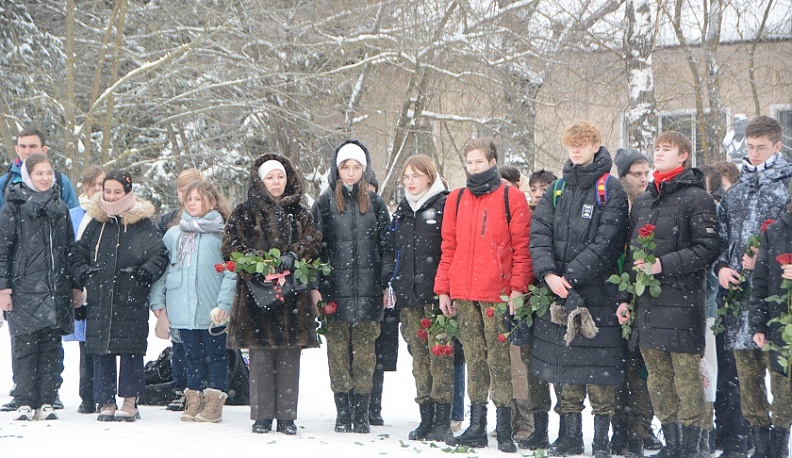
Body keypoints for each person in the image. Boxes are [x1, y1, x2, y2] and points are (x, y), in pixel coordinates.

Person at [617, 131, 721, 458]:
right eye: (657, 148)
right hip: (647, 306)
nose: (659, 153)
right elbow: (633, 253)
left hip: (682, 303)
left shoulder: (697, 197)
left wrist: (663, 264)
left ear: (684, 156)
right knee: (658, 381)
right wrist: (625, 298)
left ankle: (690, 448)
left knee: (687, 382)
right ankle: (672, 444)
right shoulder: (646, 199)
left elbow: (707, 248)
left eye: (667, 149)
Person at [530, 121, 629, 458]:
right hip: (559, 293)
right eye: (571, 144)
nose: (576, 150)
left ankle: (601, 439)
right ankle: (569, 435)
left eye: (582, 144)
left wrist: (569, 276)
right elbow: (539, 233)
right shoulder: (558, 188)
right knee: (565, 369)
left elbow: (609, 242)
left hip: (599, 294)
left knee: (601, 373)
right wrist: (548, 274)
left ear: (596, 145)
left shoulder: (610, 188)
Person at [435, 137, 533, 453]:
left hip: (498, 294)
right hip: (463, 293)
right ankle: (476, 425)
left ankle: (503, 428)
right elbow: (448, 247)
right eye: (470, 162)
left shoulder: (511, 198)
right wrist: (443, 289)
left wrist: (518, 288)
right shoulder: (456, 199)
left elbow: (522, 249)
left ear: (492, 162)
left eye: (480, 161)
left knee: (500, 361)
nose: (474, 167)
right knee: (475, 359)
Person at [224, 154, 322, 434]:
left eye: (280, 176)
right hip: (255, 294)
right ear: (260, 180)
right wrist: (258, 264)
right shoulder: (243, 212)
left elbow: (314, 240)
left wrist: (294, 255)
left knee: (289, 356)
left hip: (292, 295)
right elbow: (230, 246)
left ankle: (288, 416)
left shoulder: (301, 212)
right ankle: (263, 415)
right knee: (261, 357)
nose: (276, 182)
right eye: (270, 177)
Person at [715, 116, 792, 458]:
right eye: (750, 147)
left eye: (762, 147)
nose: (755, 154)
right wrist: (720, 268)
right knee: (746, 377)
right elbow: (718, 239)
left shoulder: (787, 186)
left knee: (782, 377)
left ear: (778, 146)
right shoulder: (737, 190)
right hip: (738, 297)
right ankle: (757, 444)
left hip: (779, 294)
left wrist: (767, 256)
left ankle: (778, 444)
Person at [71, 170, 168, 422]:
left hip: (131, 298)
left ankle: (130, 401)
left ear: (127, 192)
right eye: (108, 191)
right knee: (101, 350)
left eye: (117, 191)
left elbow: (159, 255)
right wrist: (86, 275)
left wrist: (142, 275)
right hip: (100, 298)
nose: (112, 196)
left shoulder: (142, 223)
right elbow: (77, 255)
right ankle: (105, 401)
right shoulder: (96, 223)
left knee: (130, 350)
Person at [311, 140, 393, 434]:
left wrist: (384, 283)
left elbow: (387, 247)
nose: (350, 172)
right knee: (337, 353)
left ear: (363, 169)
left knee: (365, 354)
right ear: (337, 169)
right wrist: (316, 287)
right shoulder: (323, 204)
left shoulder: (376, 204)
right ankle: (342, 410)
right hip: (335, 292)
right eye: (345, 167)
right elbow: (314, 249)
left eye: (355, 167)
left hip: (369, 292)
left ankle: (362, 411)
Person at [0, 128, 79, 413]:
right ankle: (23, 398)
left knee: (50, 346)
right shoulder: (13, 206)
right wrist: (4, 288)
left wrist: (75, 284)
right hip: (24, 288)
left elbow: (70, 249)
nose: (44, 178)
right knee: (24, 346)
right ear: (28, 176)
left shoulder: (60, 207)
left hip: (55, 286)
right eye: (39, 174)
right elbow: (3, 249)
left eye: (48, 173)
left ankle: (47, 396)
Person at [150, 181, 236, 423]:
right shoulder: (173, 235)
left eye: (198, 199)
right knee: (190, 356)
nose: (192, 203)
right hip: (182, 309)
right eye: (189, 199)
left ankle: (213, 402)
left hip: (212, 310)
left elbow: (232, 271)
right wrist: (158, 301)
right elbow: (163, 270)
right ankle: (194, 397)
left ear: (211, 202)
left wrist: (224, 304)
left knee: (216, 356)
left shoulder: (222, 234)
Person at [389, 154, 452, 441]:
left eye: (416, 175)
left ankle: (442, 419)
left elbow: (451, 250)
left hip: (438, 297)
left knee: (441, 357)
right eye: (407, 177)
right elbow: (393, 251)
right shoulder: (402, 210)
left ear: (430, 176)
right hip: (409, 296)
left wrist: (446, 288)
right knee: (419, 359)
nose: (411, 182)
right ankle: (425, 416)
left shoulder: (445, 205)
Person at [611, 147, 659, 457]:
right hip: (617, 300)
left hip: (646, 303)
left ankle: (642, 429)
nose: (643, 179)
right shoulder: (616, 206)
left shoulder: (653, 205)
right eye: (636, 174)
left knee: (643, 373)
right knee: (618, 373)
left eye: (646, 173)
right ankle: (621, 430)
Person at [519, 168, 565, 452]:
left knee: (559, 366)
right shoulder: (523, 215)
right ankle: (539, 428)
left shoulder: (561, 216)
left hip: (555, 296)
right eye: (534, 188)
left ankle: (566, 428)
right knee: (532, 365)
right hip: (527, 299)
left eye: (544, 188)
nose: (538, 194)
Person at [156, 168, 204, 412]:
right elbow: (160, 260)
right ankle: (180, 387)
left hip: (202, 292)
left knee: (202, 344)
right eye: (183, 190)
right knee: (179, 344)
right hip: (176, 290)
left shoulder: (212, 218)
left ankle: (202, 389)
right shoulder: (168, 221)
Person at [749, 198, 792, 458]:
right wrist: (758, 324)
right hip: (780, 327)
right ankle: (778, 448)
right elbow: (761, 282)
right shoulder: (775, 231)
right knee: (783, 391)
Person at [62, 165, 106, 415]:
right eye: (95, 186)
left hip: (104, 285)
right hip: (81, 285)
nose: (99, 191)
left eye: (104, 185)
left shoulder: (113, 215)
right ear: (86, 187)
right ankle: (87, 394)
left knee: (103, 343)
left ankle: (104, 392)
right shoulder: (73, 215)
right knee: (86, 344)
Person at [367, 169, 398, 427]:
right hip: (354, 289)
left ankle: (374, 406)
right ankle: (359, 404)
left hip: (378, 289)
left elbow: (389, 250)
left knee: (377, 355)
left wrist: (385, 283)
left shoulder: (382, 216)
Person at [0, 128, 79, 209]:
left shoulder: (60, 181)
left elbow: (74, 216)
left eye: (32, 146)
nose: (27, 151)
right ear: (17, 150)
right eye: (23, 146)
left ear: (44, 150)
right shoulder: (4, 183)